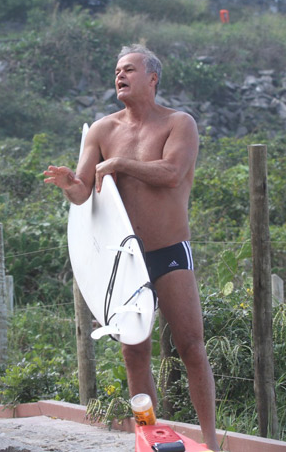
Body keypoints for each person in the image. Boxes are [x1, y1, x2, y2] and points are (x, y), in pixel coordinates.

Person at [44, 44, 220, 451]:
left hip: (169, 250)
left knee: (191, 345)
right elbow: (84, 191)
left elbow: (173, 173)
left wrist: (120, 164)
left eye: (128, 70)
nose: (119, 76)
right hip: (125, 261)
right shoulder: (103, 130)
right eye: (116, 71)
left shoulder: (179, 123)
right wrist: (71, 184)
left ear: (152, 78)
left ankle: (210, 443)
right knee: (133, 352)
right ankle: (149, 437)